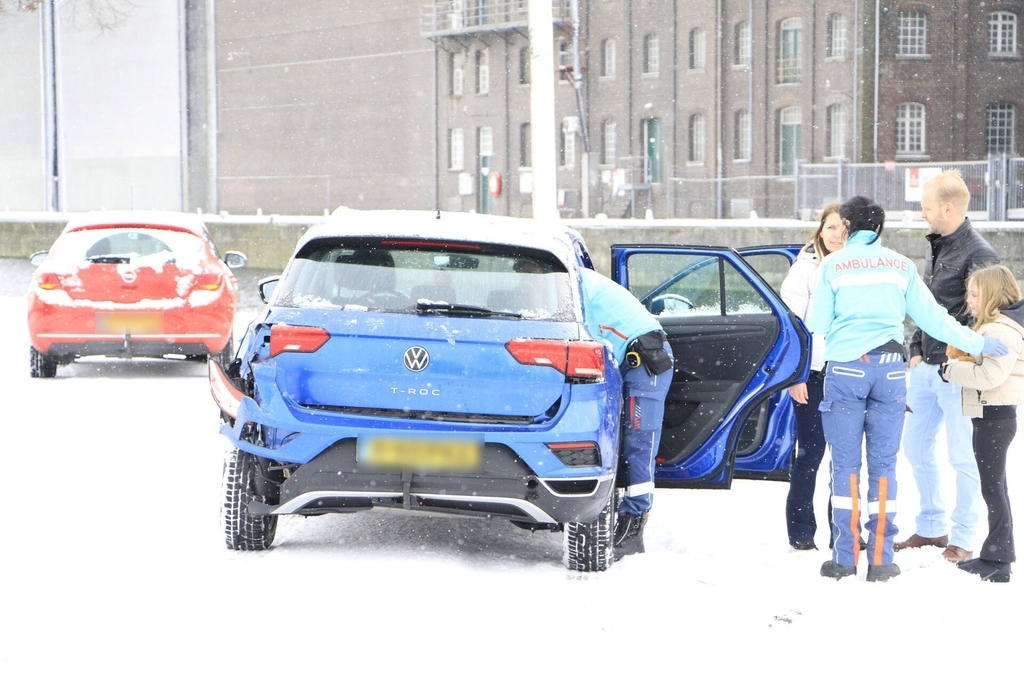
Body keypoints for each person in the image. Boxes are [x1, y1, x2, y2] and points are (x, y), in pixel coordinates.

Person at [805, 196, 1008, 582]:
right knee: (884, 467)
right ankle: (881, 560)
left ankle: (844, 559)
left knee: (846, 466)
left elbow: (816, 322)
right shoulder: (900, 265)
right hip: (891, 371)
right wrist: (979, 344)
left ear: (847, 227)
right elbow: (934, 319)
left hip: (847, 370)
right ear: (880, 228)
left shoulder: (832, 265)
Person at [896, 169, 1000, 563]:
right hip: (925, 367)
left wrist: (956, 359)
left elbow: (985, 314)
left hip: (957, 372)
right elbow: (926, 305)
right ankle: (932, 525)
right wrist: (917, 347)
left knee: (962, 455)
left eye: (925, 207)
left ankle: (963, 535)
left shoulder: (980, 253)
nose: (921, 213)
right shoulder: (936, 245)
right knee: (916, 448)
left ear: (948, 207)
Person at [579, 267, 674, 557]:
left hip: (646, 363)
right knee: (628, 441)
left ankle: (634, 526)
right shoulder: (575, 279)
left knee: (639, 442)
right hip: (635, 360)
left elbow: (586, 339)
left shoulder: (576, 285)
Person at [941, 265, 1024, 582]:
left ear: (991, 294)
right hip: (993, 415)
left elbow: (990, 376)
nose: (970, 300)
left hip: (994, 415)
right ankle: (997, 553)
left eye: (975, 294)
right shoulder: (996, 327)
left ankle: (998, 559)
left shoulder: (999, 331)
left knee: (992, 488)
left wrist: (950, 370)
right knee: (995, 487)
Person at [780, 203, 846, 551]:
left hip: (849, 373)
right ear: (820, 230)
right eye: (832, 227)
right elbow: (793, 326)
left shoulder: (855, 268)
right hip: (815, 374)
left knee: (846, 457)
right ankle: (802, 532)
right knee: (810, 454)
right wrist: (796, 374)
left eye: (844, 229)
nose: (838, 235)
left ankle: (844, 533)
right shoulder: (804, 269)